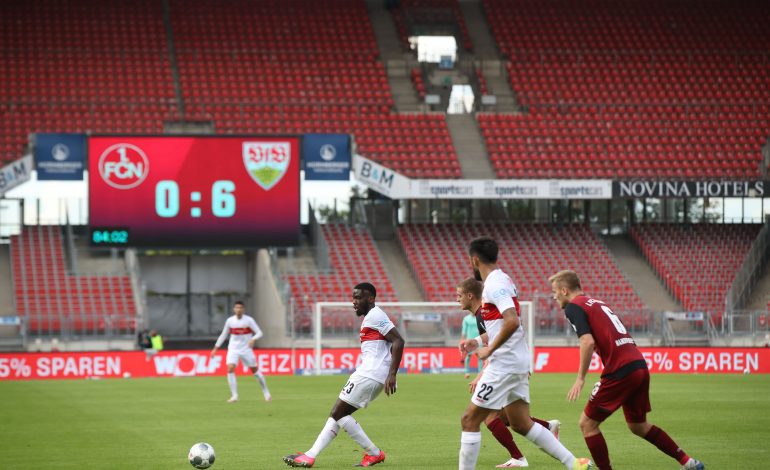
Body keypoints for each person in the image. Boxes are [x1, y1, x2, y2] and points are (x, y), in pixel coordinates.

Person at [549, 270, 705, 470]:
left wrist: (580, 378)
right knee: (638, 425)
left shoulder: (573, 307)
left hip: (620, 370)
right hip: (638, 365)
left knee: (587, 424)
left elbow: (587, 342)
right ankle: (688, 462)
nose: (554, 297)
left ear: (564, 290)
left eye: (555, 292)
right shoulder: (598, 303)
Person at [459, 237, 592, 470]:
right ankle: (575, 463)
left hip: (504, 363)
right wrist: (477, 341)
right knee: (521, 423)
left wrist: (490, 349)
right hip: (516, 360)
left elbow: (512, 321)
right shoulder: (503, 279)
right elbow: (501, 323)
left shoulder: (493, 284)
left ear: (474, 259)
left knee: (469, 420)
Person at [283, 282, 405, 468]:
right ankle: (311, 455)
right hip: (371, 374)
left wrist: (392, 374)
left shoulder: (375, 315)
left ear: (371, 298)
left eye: (358, 298)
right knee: (338, 415)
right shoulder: (371, 317)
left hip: (370, 374)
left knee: (338, 413)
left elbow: (398, 340)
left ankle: (374, 453)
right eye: (353, 297)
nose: (354, 302)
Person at [457, 277, 561, 469]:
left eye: (459, 295)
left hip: (506, 367)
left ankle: (518, 458)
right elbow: (494, 341)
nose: (457, 299)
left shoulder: (482, 315)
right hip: (513, 364)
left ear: (470, 296)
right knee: (509, 419)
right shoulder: (483, 314)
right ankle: (547, 427)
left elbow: (495, 348)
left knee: (488, 418)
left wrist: (480, 377)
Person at [210, 300, 271, 403]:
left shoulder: (249, 320)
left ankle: (266, 391)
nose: (238, 310)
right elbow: (223, 335)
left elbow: (260, 332)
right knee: (230, 368)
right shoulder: (230, 321)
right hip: (233, 349)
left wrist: (253, 339)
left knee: (255, 371)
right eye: (237, 308)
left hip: (246, 349)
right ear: (234, 309)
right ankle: (234, 396)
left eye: (240, 308)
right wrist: (216, 348)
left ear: (243, 309)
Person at [460, 305, 481, 379]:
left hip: (478, 340)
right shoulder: (466, 319)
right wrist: (462, 341)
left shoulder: (480, 318)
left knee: (480, 357)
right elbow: (464, 331)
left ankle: (479, 372)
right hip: (469, 341)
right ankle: (467, 372)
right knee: (468, 356)